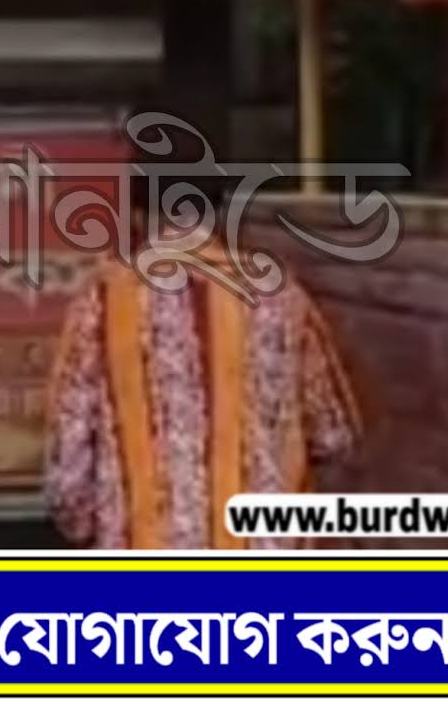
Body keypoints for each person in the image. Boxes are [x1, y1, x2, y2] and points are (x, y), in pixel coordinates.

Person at [43, 182, 361, 549]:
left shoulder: (106, 298)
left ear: (138, 214)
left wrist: (93, 526)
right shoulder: (279, 293)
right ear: (222, 213)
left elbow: (68, 468)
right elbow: (333, 434)